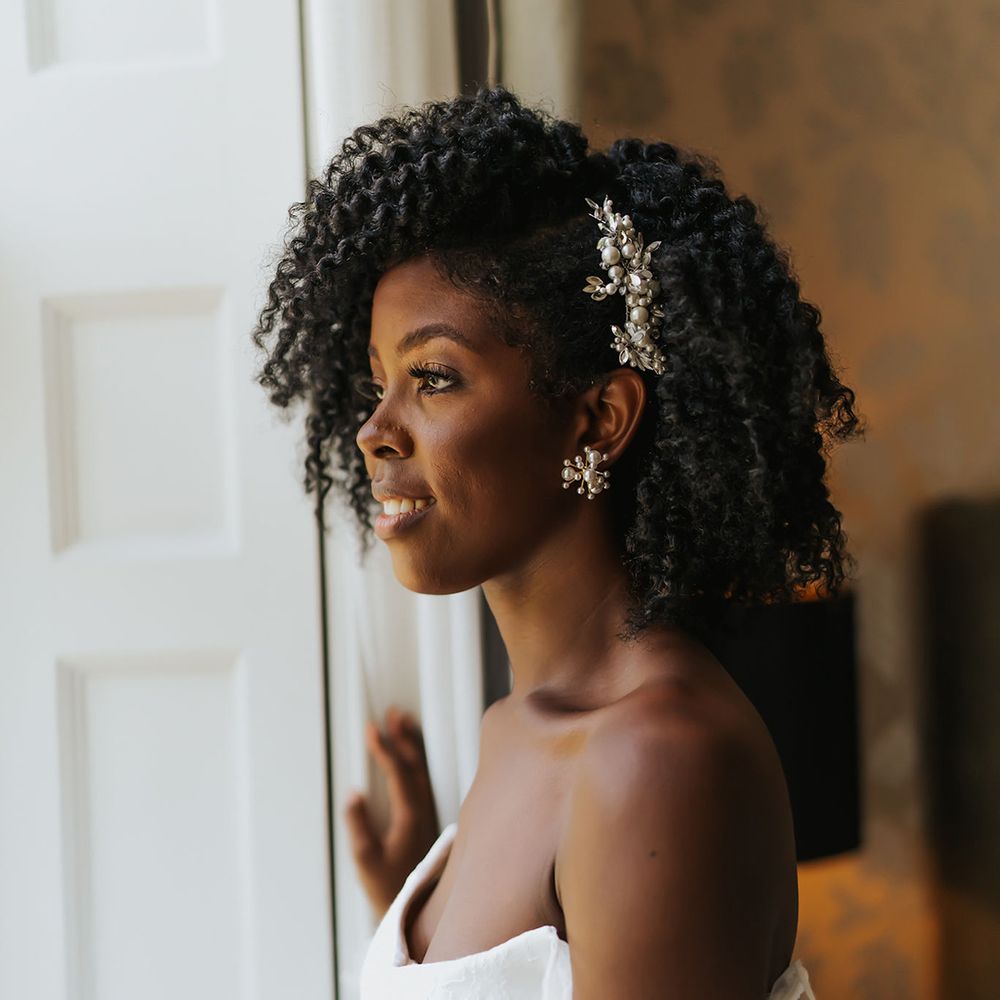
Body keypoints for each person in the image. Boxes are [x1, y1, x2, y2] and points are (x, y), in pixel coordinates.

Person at [251, 85, 860, 998]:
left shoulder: (657, 761)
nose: (375, 429)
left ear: (596, 418)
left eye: (434, 377)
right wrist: (411, 899)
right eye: (378, 381)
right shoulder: (516, 729)